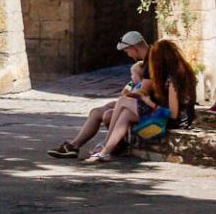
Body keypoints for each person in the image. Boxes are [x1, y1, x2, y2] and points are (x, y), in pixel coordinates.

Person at [49, 30, 152, 159]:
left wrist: (124, 98)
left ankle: (108, 144)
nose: (128, 55)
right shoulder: (146, 61)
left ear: (134, 48)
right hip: (137, 102)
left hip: (148, 105)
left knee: (109, 113)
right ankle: (74, 145)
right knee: (97, 111)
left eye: (127, 51)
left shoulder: (151, 62)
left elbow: (144, 92)